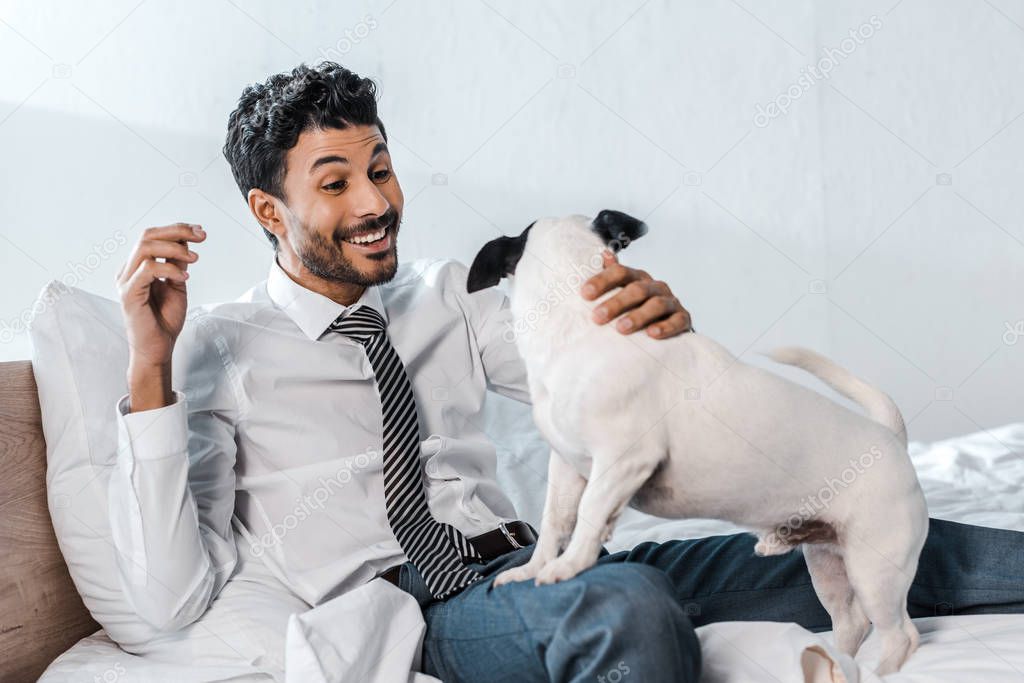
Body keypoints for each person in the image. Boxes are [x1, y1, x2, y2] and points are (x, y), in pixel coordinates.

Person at [113, 61, 1023, 682]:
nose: (378, 201)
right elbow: (168, 593)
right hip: (426, 606)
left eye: (381, 167)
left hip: (536, 563)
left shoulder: (456, 298)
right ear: (270, 209)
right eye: (337, 181)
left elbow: (615, 394)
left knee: (875, 519)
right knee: (627, 606)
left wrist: (658, 329)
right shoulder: (218, 348)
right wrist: (149, 370)